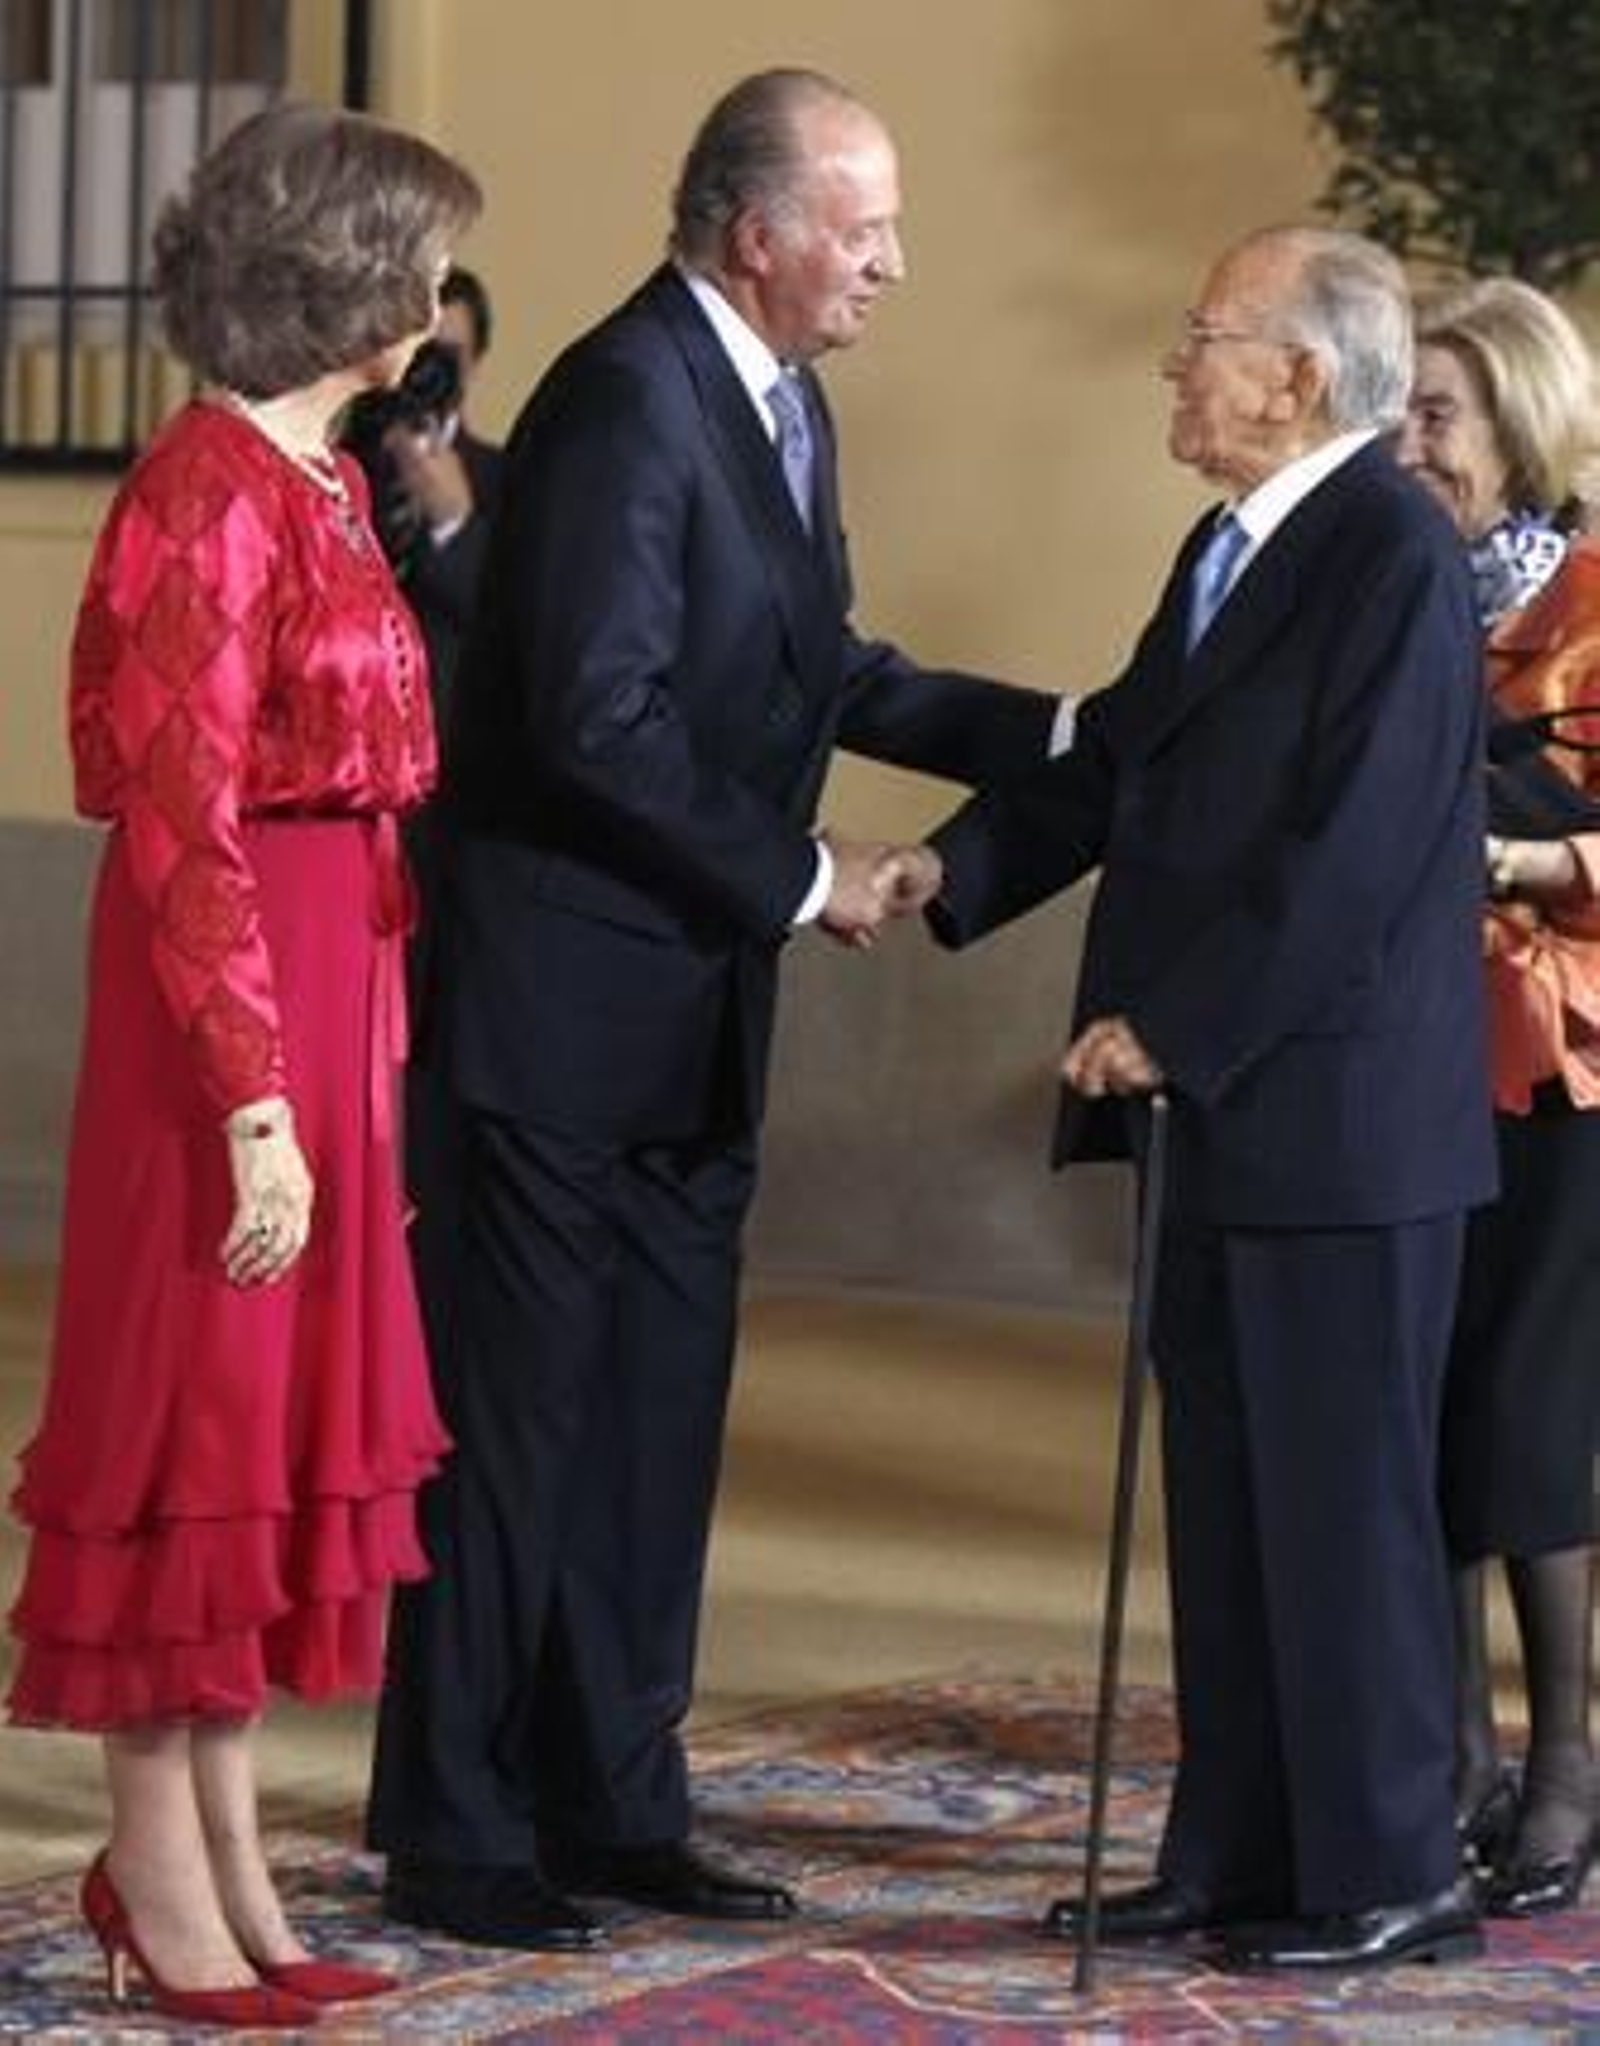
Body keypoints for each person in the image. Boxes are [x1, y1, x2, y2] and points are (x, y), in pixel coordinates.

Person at [366, 65, 1062, 1952]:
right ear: (758, 233)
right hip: (559, 1016)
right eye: (869, 227)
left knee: (656, 1423)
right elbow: (598, 719)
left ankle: (614, 1799)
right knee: (522, 1431)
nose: (893, 265)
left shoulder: (777, 398)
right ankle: (456, 1825)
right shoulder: (617, 398)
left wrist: (1061, 734)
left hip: (687, 1025)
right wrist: (803, 876)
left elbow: (815, 665)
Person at [894, 226, 1497, 1970]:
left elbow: (1363, 850)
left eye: (1203, 334)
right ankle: (1231, 1852)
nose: (1177, 362)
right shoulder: (1232, 547)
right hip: (1235, 1116)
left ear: (1300, 376)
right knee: (1233, 1503)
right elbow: (1123, 767)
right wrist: (936, 875)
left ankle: (1395, 1870)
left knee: (1345, 1501)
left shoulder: (1389, 551)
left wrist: (1175, 1025)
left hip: (1336, 1121)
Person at [5, 103, 479, 2029]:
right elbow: (182, 824)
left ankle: (218, 1863)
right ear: (350, 286)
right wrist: (261, 1106)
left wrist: (356, 1080)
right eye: (424, 267)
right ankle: (157, 1875)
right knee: (192, 1424)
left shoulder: (328, 481)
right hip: (225, 1016)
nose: (442, 301)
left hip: (330, 975)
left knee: (269, 1438)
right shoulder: (203, 488)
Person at [1396, 276, 1600, 1917]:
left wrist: (1505, 851)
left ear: (1521, 425)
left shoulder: (1596, 595)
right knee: (1429, 1415)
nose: (1412, 440)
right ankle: (1453, 1760)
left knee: (1533, 1421)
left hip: (1563, 1070)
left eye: (1440, 412)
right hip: (1406, 1059)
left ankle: (1565, 1770)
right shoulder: (1393, 587)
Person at [346, 264, 506, 730]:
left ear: (475, 362)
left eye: (448, 356)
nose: (429, 369)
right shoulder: (341, 466)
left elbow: (515, 628)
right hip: (348, 749)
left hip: (453, 754)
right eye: (419, 351)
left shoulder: (509, 477)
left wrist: (455, 525)